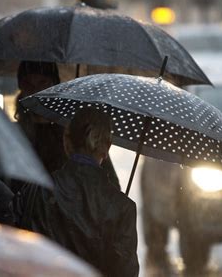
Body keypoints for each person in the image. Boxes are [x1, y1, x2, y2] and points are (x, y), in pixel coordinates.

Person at [17, 107, 139, 277]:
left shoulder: (37, 189)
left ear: (67, 142)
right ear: (106, 147)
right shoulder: (123, 207)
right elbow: (125, 272)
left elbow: (18, 250)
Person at [15, 61, 121, 190]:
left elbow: (110, 184)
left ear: (54, 85)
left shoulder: (77, 133)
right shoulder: (12, 135)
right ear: (21, 87)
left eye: (43, 83)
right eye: (28, 84)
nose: (35, 90)